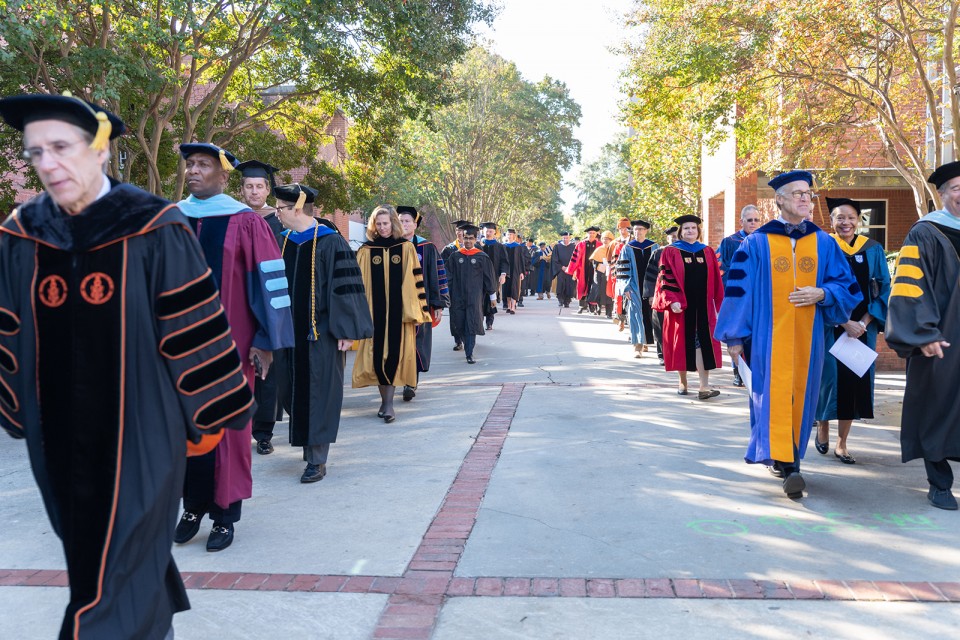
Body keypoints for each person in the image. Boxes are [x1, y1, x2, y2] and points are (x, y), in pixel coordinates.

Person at [0, 92, 253, 639]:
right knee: (98, 555)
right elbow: (7, 326)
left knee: (107, 577)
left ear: (98, 150)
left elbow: (194, 327)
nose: (47, 163)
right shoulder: (22, 231)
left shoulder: (152, 224)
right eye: (36, 151)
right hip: (57, 436)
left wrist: (206, 421)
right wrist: (16, 406)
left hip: (142, 431)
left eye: (61, 147)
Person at [174, 142, 295, 552]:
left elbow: (271, 282)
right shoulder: (172, 218)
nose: (193, 170)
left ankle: (225, 515)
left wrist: (267, 341)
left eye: (203, 165)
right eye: (190, 164)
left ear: (224, 176)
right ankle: (192, 506)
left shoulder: (244, 221)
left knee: (227, 430)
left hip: (231, 346)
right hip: (179, 349)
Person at [715, 170, 861, 499]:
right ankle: (786, 462)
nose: (805, 198)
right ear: (779, 200)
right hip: (768, 340)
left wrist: (822, 294)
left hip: (811, 341)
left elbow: (847, 286)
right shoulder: (756, 243)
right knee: (770, 398)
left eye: (808, 193)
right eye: (796, 193)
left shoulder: (823, 242)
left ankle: (791, 460)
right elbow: (738, 292)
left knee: (802, 399)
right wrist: (735, 338)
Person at [273, 184, 373, 482]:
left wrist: (346, 331)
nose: (276, 212)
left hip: (322, 333)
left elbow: (347, 288)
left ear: (297, 208)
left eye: (279, 208)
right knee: (292, 390)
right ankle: (308, 446)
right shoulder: (283, 241)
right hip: (288, 333)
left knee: (319, 392)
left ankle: (317, 458)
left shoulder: (331, 242)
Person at [886, 160, 960, 510]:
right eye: (957, 188)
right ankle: (939, 482)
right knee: (936, 404)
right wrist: (923, 332)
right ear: (942, 194)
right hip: (943, 337)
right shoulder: (926, 232)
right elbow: (909, 287)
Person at [814, 198, 890, 465]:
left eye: (850, 217)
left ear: (858, 220)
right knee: (829, 380)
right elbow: (815, 287)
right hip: (830, 326)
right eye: (839, 218)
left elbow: (883, 289)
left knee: (854, 383)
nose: (845, 222)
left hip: (861, 329)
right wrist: (842, 321)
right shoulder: (822, 247)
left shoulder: (873, 249)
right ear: (831, 222)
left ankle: (842, 443)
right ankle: (823, 426)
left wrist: (864, 323)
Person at [353, 206, 431, 422]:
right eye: (378, 224)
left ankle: (388, 404)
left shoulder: (406, 248)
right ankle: (385, 403)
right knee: (378, 358)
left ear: (393, 223)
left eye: (386, 223)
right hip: (373, 314)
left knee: (394, 357)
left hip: (399, 315)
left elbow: (415, 282)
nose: (382, 227)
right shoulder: (366, 250)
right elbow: (359, 286)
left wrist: (417, 311)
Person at [235, 159, 286, 454]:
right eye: (249, 186)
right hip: (238, 300)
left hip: (269, 300)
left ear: (267, 188)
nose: (254, 192)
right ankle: (239, 426)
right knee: (241, 365)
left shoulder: (279, 221)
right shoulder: (233, 217)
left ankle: (263, 432)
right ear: (241, 189)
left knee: (267, 367)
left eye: (259, 186)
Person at [653, 215, 724, 398]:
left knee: (703, 343)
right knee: (682, 345)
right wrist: (672, 300)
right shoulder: (670, 251)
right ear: (681, 232)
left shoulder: (707, 251)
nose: (690, 231)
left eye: (693, 228)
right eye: (686, 228)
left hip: (704, 307)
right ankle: (683, 382)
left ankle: (704, 387)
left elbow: (716, 279)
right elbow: (664, 279)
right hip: (681, 308)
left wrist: (720, 304)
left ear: (698, 231)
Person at [398, 206, 449, 401]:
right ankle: (400, 379)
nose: (404, 224)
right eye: (401, 221)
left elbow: (438, 276)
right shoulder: (390, 246)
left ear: (415, 224)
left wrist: (438, 304)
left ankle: (410, 383)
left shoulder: (426, 247)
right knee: (399, 344)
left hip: (421, 304)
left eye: (407, 221)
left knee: (415, 343)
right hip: (396, 305)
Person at [718, 205, 763, 386]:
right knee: (737, 333)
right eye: (749, 220)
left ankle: (754, 370)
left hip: (758, 298)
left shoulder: (764, 241)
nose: (753, 223)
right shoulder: (729, 242)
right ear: (741, 221)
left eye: (756, 220)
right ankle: (738, 371)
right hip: (737, 296)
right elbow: (721, 268)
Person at [446, 224, 498, 364]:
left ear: (475, 239)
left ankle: (469, 352)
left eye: (471, 238)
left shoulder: (482, 257)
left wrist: (493, 297)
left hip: (475, 298)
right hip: (457, 297)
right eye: (466, 238)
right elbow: (448, 277)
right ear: (462, 238)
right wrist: (445, 295)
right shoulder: (455, 256)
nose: (468, 241)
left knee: (471, 323)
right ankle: (465, 343)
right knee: (459, 323)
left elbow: (489, 278)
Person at [617, 220, 658, 356]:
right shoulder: (627, 248)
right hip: (634, 286)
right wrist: (626, 287)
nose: (638, 232)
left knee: (650, 315)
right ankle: (638, 345)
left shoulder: (654, 247)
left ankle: (646, 340)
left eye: (641, 229)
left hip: (652, 287)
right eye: (635, 229)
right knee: (635, 314)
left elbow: (661, 268)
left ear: (646, 231)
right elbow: (622, 270)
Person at [643, 226, 678, 365]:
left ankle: (675, 353)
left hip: (678, 297)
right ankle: (662, 354)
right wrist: (650, 295)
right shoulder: (658, 253)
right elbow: (650, 275)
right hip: (661, 295)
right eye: (672, 236)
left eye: (677, 236)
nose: (674, 238)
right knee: (660, 324)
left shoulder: (684, 252)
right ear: (667, 238)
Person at [479, 222, 508, 328]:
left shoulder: (499, 246)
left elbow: (504, 261)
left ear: (495, 232)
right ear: (483, 231)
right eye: (486, 231)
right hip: (479, 277)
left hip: (494, 277)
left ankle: (489, 322)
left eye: (490, 231)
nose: (488, 233)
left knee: (492, 298)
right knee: (480, 298)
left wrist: (503, 274)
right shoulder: (479, 245)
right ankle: (479, 320)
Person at [567, 226, 601, 314]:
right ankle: (581, 306)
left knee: (593, 287)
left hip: (595, 270)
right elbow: (574, 258)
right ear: (587, 234)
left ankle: (592, 306)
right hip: (582, 269)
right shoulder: (581, 244)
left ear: (596, 234)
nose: (591, 235)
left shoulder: (599, 245)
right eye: (590, 233)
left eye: (593, 233)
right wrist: (572, 270)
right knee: (581, 287)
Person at [610, 217, 633, 329]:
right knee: (619, 297)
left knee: (629, 298)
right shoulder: (614, 243)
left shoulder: (634, 240)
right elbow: (609, 259)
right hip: (618, 275)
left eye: (625, 228)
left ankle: (628, 320)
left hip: (632, 275)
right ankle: (621, 320)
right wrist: (612, 274)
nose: (623, 231)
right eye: (620, 228)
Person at [588, 230, 617, 317]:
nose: (605, 241)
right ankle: (598, 308)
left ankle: (609, 312)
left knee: (609, 293)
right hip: (600, 274)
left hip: (611, 274)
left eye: (607, 239)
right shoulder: (599, 249)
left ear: (611, 240)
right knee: (598, 292)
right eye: (604, 239)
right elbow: (594, 262)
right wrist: (599, 267)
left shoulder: (614, 249)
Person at [502, 228, 527, 314]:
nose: (509, 236)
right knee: (507, 288)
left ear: (514, 236)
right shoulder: (503, 246)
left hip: (515, 270)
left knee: (514, 288)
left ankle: (513, 307)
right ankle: (508, 306)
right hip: (506, 270)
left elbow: (521, 260)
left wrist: (522, 272)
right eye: (508, 234)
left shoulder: (518, 246)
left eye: (511, 234)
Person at [552, 231, 577, 307]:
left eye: (567, 238)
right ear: (561, 238)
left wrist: (570, 267)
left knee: (570, 285)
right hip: (561, 270)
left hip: (570, 269)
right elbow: (554, 259)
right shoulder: (557, 247)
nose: (565, 239)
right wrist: (561, 267)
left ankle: (567, 301)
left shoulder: (574, 247)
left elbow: (576, 258)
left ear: (570, 238)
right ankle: (560, 299)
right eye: (564, 238)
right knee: (561, 284)